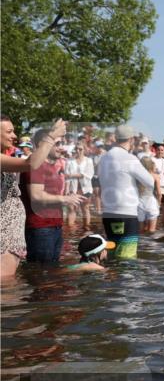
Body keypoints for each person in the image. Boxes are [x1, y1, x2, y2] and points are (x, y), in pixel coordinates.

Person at [1, 117, 72, 278]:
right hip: (6, 235)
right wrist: (52, 135)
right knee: (8, 286)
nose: (15, 136)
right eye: (9, 131)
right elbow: (31, 164)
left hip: (11, 235)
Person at [21, 129, 83, 264]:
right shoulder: (36, 166)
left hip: (54, 225)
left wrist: (68, 196)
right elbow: (36, 195)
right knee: (42, 272)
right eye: (57, 143)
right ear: (43, 144)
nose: (61, 147)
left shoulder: (50, 167)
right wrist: (65, 199)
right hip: (40, 227)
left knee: (51, 270)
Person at [97, 125, 154, 259]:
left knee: (112, 255)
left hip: (108, 214)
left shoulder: (103, 158)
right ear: (131, 139)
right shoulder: (130, 158)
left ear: (116, 138)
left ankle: (111, 278)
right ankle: (125, 280)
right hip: (127, 214)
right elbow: (150, 182)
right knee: (127, 258)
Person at [64, 143, 94, 225]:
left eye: (80, 149)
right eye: (76, 149)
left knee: (85, 208)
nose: (78, 151)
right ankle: (70, 230)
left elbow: (88, 175)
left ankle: (86, 228)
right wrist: (66, 189)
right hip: (73, 189)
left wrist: (71, 175)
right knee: (71, 209)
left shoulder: (89, 161)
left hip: (85, 188)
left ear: (84, 150)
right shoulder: (69, 161)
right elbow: (66, 177)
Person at [137, 157, 161, 232]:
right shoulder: (155, 176)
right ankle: (151, 244)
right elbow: (159, 193)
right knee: (152, 230)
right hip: (151, 202)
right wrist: (159, 204)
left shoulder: (136, 176)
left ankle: (142, 243)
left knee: (140, 230)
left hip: (139, 203)